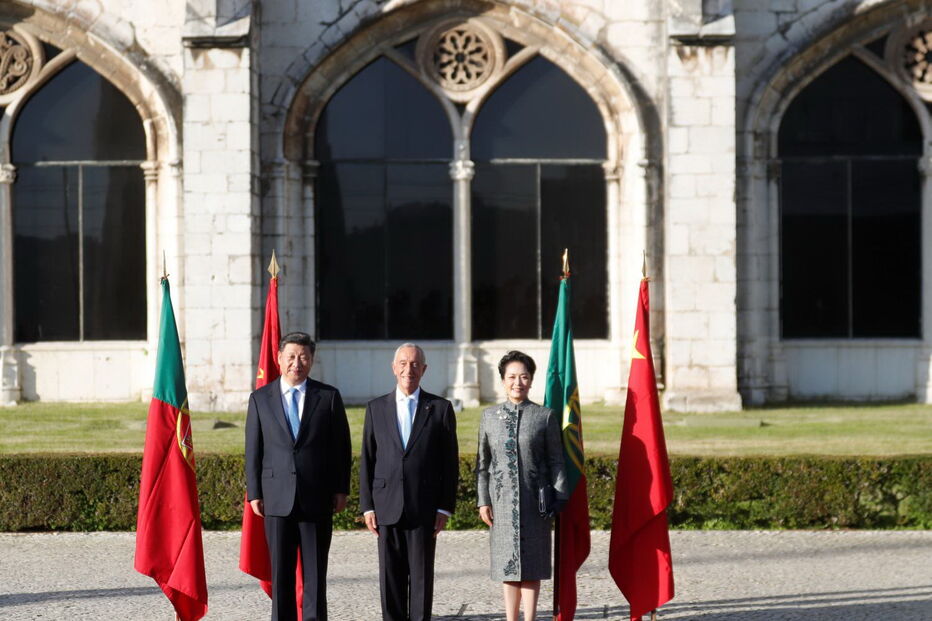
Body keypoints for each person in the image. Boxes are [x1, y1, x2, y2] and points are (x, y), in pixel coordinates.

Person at [245, 332, 351, 621]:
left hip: (317, 497)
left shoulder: (328, 397)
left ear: (312, 360)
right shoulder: (260, 399)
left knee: (315, 573)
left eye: (303, 357)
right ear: (279, 358)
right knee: (281, 574)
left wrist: (341, 489)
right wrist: (254, 492)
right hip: (276, 499)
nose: (297, 363)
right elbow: (253, 449)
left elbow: (341, 448)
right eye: (291, 356)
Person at [359, 343, 459, 621]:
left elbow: (449, 464)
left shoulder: (440, 409)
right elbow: (368, 458)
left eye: (415, 364)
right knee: (390, 577)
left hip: (424, 507)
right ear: (394, 368)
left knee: (421, 578)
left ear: (424, 369)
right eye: (403, 363)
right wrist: (367, 506)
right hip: (386, 505)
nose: (408, 369)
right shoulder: (376, 408)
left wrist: (444, 507)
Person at [476, 350, 568, 621]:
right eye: (512, 377)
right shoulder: (489, 416)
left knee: (532, 565)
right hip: (501, 503)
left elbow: (556, 460)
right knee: (508, 565)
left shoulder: (544, 416)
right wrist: (483, 500)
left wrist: (559, 497)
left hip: (535, 502)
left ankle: (530, 618)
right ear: (503, 380)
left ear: (531, 380)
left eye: (524, 377)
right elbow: (483, 463)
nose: (518, 382)